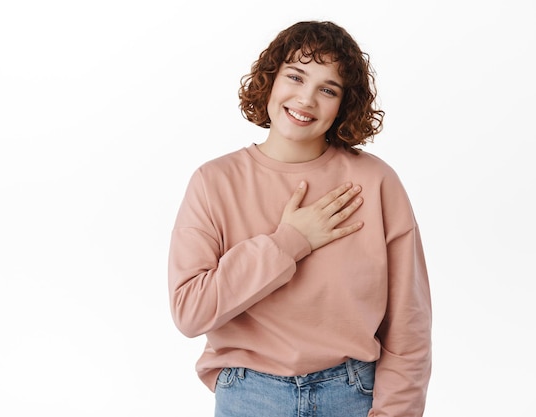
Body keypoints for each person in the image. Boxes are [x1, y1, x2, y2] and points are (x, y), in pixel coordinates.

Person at [168, 20, 431, 417]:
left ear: (344, 104)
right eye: (295, 76)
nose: (306, 99)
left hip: (353, 394)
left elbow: (409, 323)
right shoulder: (214, 181)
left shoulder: (375, 182)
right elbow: (190, 312)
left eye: (328, 89)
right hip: (249, 396)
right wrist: (290, 241)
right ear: (270, 80)